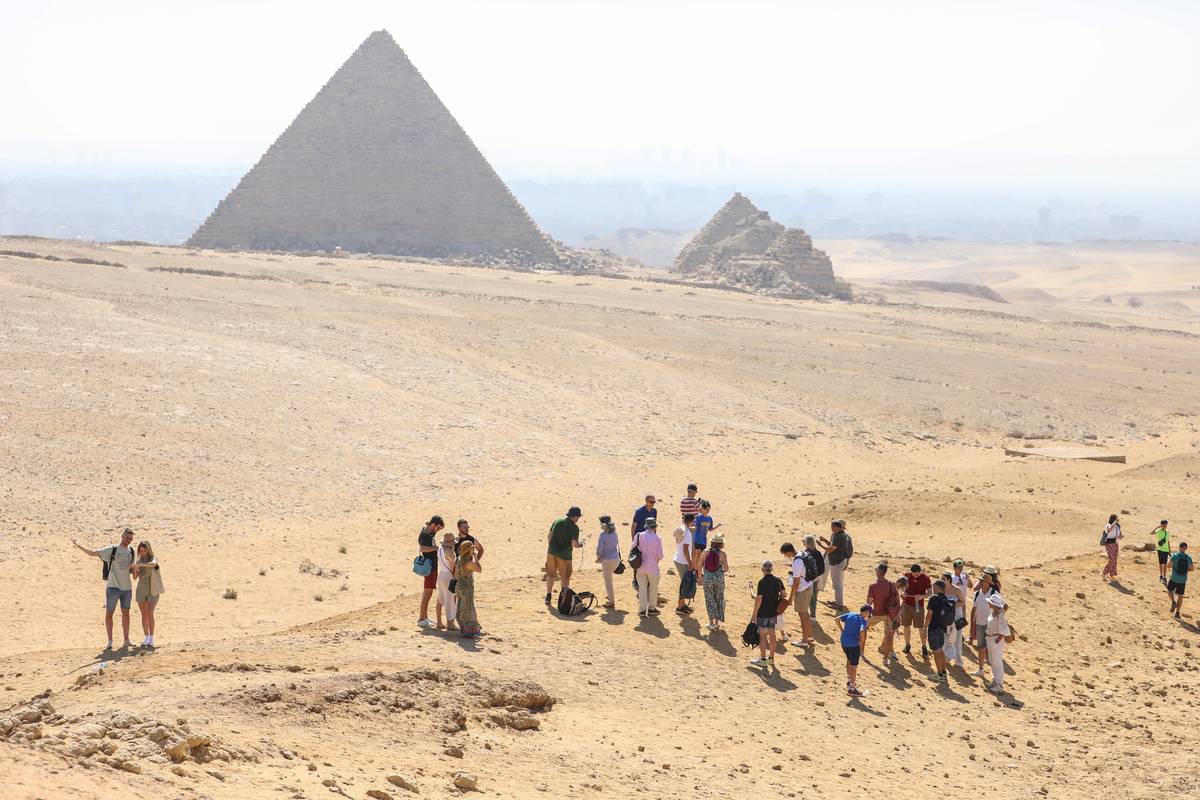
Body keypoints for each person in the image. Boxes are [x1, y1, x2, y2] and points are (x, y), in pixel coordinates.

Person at [72, 528, 136, 651]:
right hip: (113, 587)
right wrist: (78, 545)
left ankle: (126, 640)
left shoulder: (131, 551)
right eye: (126, 537)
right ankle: (110, 641)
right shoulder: (112, 550)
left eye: (130, 539)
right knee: (109, 613)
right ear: (122, 536)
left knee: (126, 614)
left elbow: (132, 569)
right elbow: (92, 553)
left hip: (127, 588)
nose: (128, 540)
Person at [130, 540, 164, 648]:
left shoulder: (153, 558)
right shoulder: (139, 560)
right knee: (143, 614)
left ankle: (152, 638)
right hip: (141, 589)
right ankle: (146, 637)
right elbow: (135, 577)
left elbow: (153, 564)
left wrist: (139, 564)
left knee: (150, 613)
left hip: (153, 589)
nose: (143, 553)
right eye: (141, 551)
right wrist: (135, 569)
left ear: (148, 550)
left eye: (144, 550)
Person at [751, 561, 784, 667]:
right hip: (772, 612)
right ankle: (771, 659)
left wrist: (754, 614)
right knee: (772, 635)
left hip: (763, 612)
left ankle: (763, 660)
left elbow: (758, 599)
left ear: (762, 570)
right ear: (772, 569)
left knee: (762, 637)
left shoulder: (762, 581)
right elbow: (783, 594)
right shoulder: (777, 580)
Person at [865, 563, 901, 665]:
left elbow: (869, 601)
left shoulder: (873, 586)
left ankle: (860, 649)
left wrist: (867, 611)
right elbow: (896, 599)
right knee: (889, 636)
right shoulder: (891, 584)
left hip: (877, 613)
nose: (875, 571)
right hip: (889, 614)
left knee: (862, 626)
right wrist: (897, 614)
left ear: (879, 572)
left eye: (876, 569)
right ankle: (886, 657)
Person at [546, 507, 584, 603]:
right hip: (565, 555)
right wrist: (581, 544)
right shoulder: (574, 528)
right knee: (565, 577)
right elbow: (574, 544)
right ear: (575, 516)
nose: (578, 519)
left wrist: (552, 547)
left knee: (551, 575)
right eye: (578, 517)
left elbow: (549, 536)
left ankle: (548, 595)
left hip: (551, 552)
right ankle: (563, 599)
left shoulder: (557, 520)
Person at [970, 567, 1002, 677]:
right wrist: (972, 625)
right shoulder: (977, 594)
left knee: (991, 650)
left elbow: (1004, 606)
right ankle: (981, 669)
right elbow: (973, 609)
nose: (980, 582)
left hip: (990, 625)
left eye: (982, 581)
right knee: (981, 647)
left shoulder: (994, 594)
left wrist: (996, 618)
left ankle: (995, 676)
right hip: (979, 623)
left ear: (988, 583)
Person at [781, 542, 815, 646]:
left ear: (788, 552)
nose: (784, 556)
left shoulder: (797, 562)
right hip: (808, 586)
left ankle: (804, 641)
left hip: (802, 590)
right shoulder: (801, 553)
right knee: (806, 614)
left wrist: (791, 598)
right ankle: (809, 636)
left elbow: (796, 583)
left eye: (784, 554)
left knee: (802, 615)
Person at [837, 604, 871, 697]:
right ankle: (852, 688)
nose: (868, 616)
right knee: (854, 665)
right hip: (853, 644)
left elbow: (836, 619)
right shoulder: (862, 620)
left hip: (844, 642)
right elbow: (862, 630)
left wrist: (841, 630)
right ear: (866, 612)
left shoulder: (850, 614)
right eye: (868, 614)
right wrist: (862, 640)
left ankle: (849, 681)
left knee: (849, 659)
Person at [633, 518, 665, 617]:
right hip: (653, 568)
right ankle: (652, 608)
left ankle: (642, 610)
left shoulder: (638, 536)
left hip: (640, 567)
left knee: (642, 589)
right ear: (654, 527)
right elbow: (660, 556)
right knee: (653, 589)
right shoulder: (657, 538)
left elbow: (632, 548)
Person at [925, 580, 954, 684]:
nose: (932, 588)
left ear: (937, 587)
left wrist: (925, 628)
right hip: (942, 628)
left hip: (933, 628)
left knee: (936, 652)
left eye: (933, 586)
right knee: (941, 651)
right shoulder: (946, 599)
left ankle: (940, 675)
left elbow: (929, 615)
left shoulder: (933, 598)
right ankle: (943, 673)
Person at [416, 516, 443, 628]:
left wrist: (429, 525)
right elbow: (422, 548)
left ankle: (425, 617)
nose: (438, 530)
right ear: (433, 525)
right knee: (427, 593)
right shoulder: (426, 535)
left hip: (431, 566)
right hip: (429, 567)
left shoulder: (428, 531)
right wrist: (435, 548)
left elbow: (426, 526)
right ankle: (422, 619)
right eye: (438, 528)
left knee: (428, 592)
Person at [820, 519, 852, 610]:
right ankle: (838, 602)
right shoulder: (843, 536)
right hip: (841, 561)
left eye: (833, 527)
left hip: (837, 562)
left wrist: (820, 545)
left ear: (838, 527)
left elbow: (830, 549)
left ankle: (839, 604)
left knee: (837, 584)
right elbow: (834, 546)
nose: (831, 529)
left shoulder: (839, 537)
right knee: (838, 583)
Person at [901, 563, 932, 658]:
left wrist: (922, 596)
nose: (915, 576)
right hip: (906, 604)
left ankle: (924, 646)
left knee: (920, 627)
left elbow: (930, 592)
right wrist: (903, 593)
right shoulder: (906, 576)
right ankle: (907, 644)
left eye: (917, 574)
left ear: (920, 572)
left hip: (919, 606)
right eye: (913, 574)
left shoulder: (926, 578)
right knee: (906, 626)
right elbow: (900, 588)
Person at [455, 539, 483, 638]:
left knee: (461, 607)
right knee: (468, 608)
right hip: (467, 586)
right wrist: (476, 558)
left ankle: (464, 629)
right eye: (471, 549)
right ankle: (469, 631)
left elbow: (456, 573)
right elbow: (479, 569)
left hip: (459, 585)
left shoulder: (459, 558)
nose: (473, 551)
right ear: (468, 550)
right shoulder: (468, 562)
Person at [702, 532, 728, 631]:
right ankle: (717, 622)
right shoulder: (723, 554)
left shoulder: (705, 552)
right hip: (719, 580)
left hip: (708, 578)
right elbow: (726, 569)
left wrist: (700, 577)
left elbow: (700, 564)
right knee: (719, 598)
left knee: (709, 599)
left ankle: (711, 622)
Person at [984, 593, 1010, 693]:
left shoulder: (1000, 615)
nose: (989, 604)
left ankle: (999, 684)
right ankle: (995, 681)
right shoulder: (993, 613)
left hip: (995, 639)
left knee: (997, 661)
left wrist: (997, 640)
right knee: (993, 661)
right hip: (991, 638)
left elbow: (1003, 630)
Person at [943, 569, 968, 669]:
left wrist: (952, 605)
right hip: (946, 617)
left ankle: (959, 661)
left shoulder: (957, 589)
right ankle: (947, 658)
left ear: (949, 580)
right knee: (946, 637)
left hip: (957, 616)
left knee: (957, 639)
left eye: (943, 579)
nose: (942, 580)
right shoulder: (942, 590)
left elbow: (963, 602)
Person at [595, 515, 621, 609]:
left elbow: (600, 549)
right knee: (609, 579)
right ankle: (610, 596)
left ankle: (611, 601)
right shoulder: (615, 533)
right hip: (616, 559)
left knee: (608, 581)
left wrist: (597, 559)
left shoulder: (602, 535)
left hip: (607, 560)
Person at [673, 514, 697, 615]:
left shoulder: (681, 528)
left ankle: (682, 605)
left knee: (684, 582)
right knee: (685, 583)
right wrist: (690, 562)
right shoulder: (687, 533)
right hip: (683, 561)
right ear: (692, 521)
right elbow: (686, 550)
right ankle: (679, 607)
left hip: (678, 558)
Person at [435, 531, 459, 630]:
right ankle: (450, 623)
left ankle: (439, 622)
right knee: (450, 600)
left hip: (441, 575)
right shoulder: (450, 552)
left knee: (440, 599)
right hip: (448, 576)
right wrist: (456, 576)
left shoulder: (440, 549)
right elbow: (452, 566)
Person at [692, 499, 719, 573]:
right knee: (697, 554)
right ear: (703, 509)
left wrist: (718, 526)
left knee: (701, 556)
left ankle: (698, 571)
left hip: (704, 540)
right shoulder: (698, 517)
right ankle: (694, 570)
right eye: (707, 509)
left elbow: (710, 529)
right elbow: (695, 527)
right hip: (697, 539)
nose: (708, 511)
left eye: (709, 510)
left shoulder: (709, 518)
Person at [1168, 542, 1194, 619]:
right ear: (1185, 548)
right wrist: (1186, 570)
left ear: (1179, 547)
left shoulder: (1175, 556)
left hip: (1174, 578)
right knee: (1180, 596)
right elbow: (1192, 569)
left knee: (1169, 590)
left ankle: (1173, 602)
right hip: (1183, 580)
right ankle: (1177, 613)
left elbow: (1169, 566)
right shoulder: (1188, 557)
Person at [803, 535, 827, 617]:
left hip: (808, 579)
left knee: (808, 597)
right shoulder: (818, 553)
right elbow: (822, 567)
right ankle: (813, 615)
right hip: (817, 578)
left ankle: (808, 614)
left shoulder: (805, 554)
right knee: (814, 597)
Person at [1101, 513, 1122, 581]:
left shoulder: (1118, 526)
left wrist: (1120, 536)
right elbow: (1109, 529)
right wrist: (1114, 523)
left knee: (1114, 560)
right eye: (1116, 518)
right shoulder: (1108, 525)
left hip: (1115, 543)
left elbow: (1119, 534)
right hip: (1109, 544)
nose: (1118, 520)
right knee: (1111, 560)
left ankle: (1112, 575)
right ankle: (1104, 573)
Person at [1153, 520, 1171, 584]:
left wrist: (1169, 550)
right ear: (1161, 525)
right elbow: (1152, 533)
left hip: (1166, 550)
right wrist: (1158, 527)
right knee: (1161, 563)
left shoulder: (1167, 532)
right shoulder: (1159, 531)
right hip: (1160, 549)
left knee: (1165, 564)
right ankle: (1161, 576)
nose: (1165, 526)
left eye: (1166, 525)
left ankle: (1164, 577)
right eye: (1163, 525)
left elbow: (1168, 541)